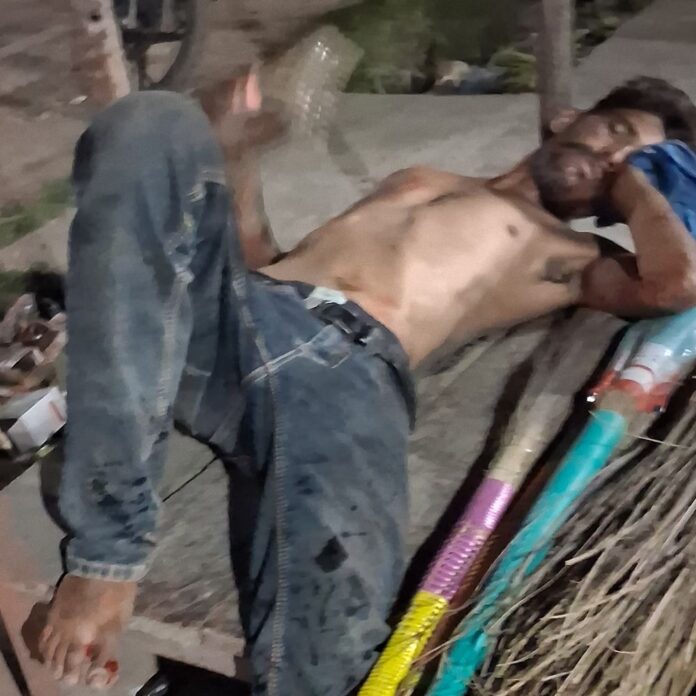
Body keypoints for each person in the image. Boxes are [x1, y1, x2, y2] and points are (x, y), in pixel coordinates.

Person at [38, 75, 696, 695]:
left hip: (344, 373)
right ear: (567, 117)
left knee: (329, 635)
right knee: (154, 119)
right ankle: (108, 556)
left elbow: (676, 284)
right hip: (238, 316)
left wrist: (638, 184)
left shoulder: (573, 256)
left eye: (638, 157)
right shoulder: (421, 179)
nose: (615, 157)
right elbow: (264, 256)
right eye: (615, 131)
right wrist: (238, 156)